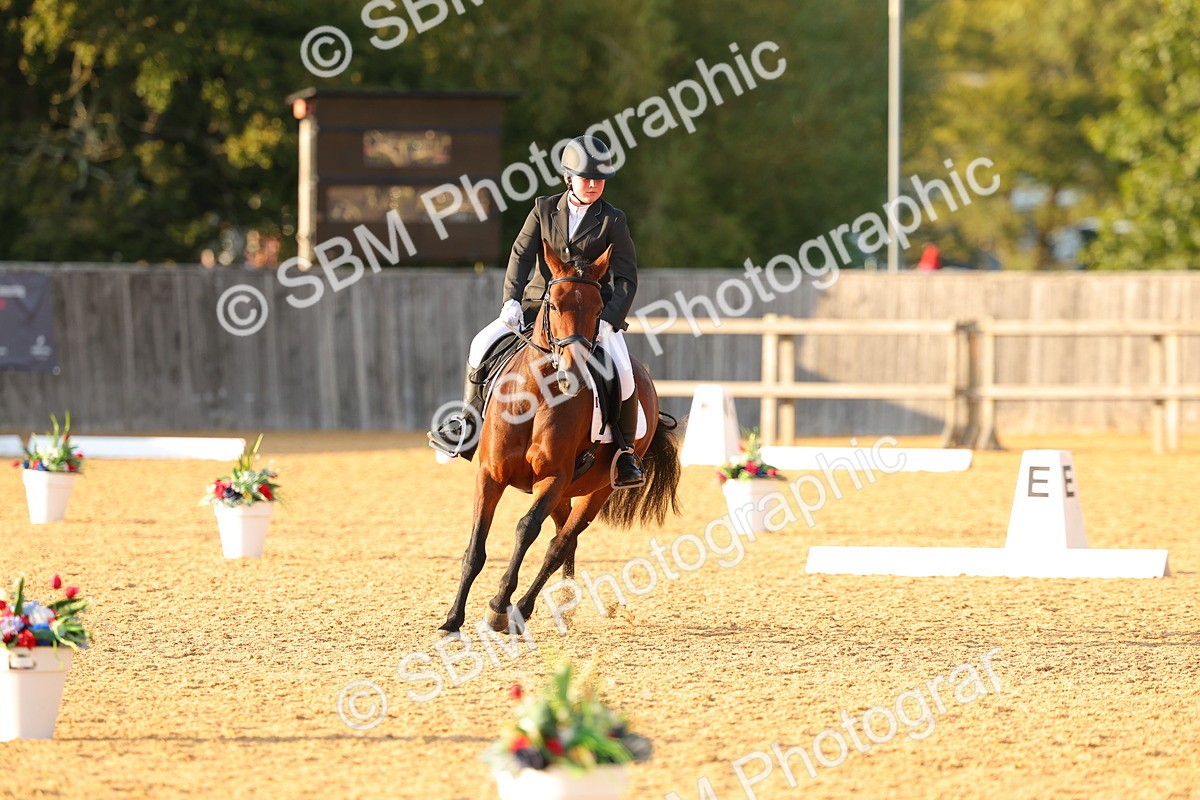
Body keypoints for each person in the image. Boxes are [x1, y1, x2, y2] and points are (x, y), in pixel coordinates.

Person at [428, 135, 644, 488]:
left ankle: (625, 454)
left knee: (623, 371)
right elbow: (520, 255)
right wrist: (511, 301)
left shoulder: (613, 220)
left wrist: (609, 320)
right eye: (585, 178)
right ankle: (467, 425)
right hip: (537, 309)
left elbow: (627, 278)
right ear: (568, 177)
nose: (592, 185)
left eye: (599, 179)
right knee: (481, 343)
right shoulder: (544, 208)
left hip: (589, 317)